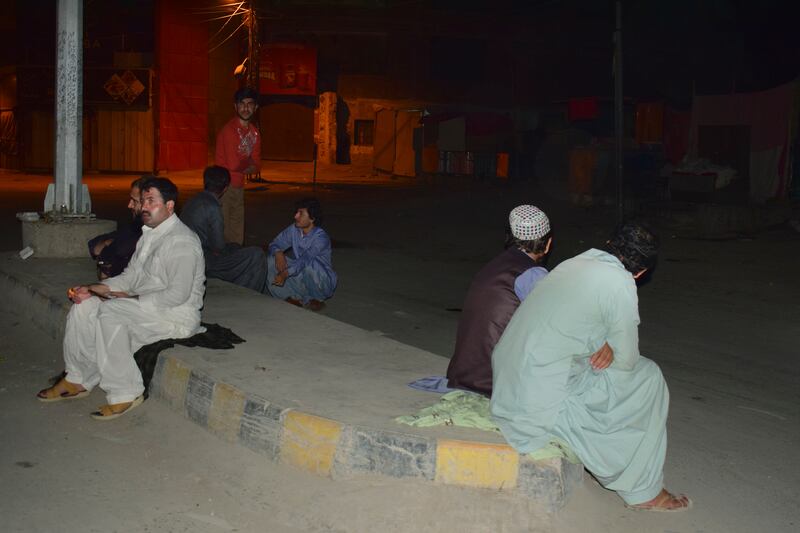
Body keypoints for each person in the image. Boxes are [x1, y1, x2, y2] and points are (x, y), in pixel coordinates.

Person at [490, 221, 691, 511]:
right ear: (641, 272)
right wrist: (608, 344)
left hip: (508, 388)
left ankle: (607, 457)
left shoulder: (576, 262)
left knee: (598, 368)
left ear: (610, 245)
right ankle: (643, 490)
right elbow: (626, 360)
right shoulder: (620, 283)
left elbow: (569, 324)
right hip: (535, 407)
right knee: (648, 377)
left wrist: (601, 342)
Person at [36, 177, 206, 420]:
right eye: (143, 200)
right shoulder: (150, 234)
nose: (144, 207)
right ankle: (77, 378)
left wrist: (129, 300)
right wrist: (95, 288)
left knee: (110, 311)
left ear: (170, 206)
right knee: (84, 306)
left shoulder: (181, 242)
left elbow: (177, 295)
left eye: (151, 201)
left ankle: (125, 391)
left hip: (175, 316)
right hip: (143, 307)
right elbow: (130, 276)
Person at [446, 205, 554, 396]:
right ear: (547, 244)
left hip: (462, 376)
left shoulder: (495, 265)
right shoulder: (534, 275)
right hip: (494, 383)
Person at [181, 165, 268, 292]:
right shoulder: (213, 207)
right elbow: (219, 246)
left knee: (235, 247)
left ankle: (236, 289)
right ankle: (248, 294)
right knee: (256, 254)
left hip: (189, 255)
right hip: (203, 260)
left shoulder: (192, 201)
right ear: (225, 188)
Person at [265, 197, 337, 310]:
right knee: (270, 260)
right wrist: (278, 252)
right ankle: (290, 298)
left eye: (301, 213)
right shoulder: (294, 229)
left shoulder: (321, 238)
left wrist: (285, 273)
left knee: (309, 265)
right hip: (301, 275)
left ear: (312, 218)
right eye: (296, 212)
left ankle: (316, 299)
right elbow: (274, 244)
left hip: (320, 282)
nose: (296, 216)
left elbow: (305, 259)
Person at [214, 86, 261, 245]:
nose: (246, 108)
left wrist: (247, 164)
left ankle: (235, 263)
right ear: (235, 106)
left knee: (237, 230)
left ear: (256, 107)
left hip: (239, 187)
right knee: (222, 230)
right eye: (242, 104)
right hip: (223, 187)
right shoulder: (230, 131)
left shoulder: (254, 132)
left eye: (250, 104)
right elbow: (234, 164)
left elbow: (257, 165)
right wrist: (248, 163)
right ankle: (222, 264)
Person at [87, 176, 149, 279]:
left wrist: (109, 247)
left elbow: (109, 268)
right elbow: (94, 246)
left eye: (135, 201)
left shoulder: (150, 233)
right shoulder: (136, 225)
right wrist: (108, 243)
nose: (129, 205)